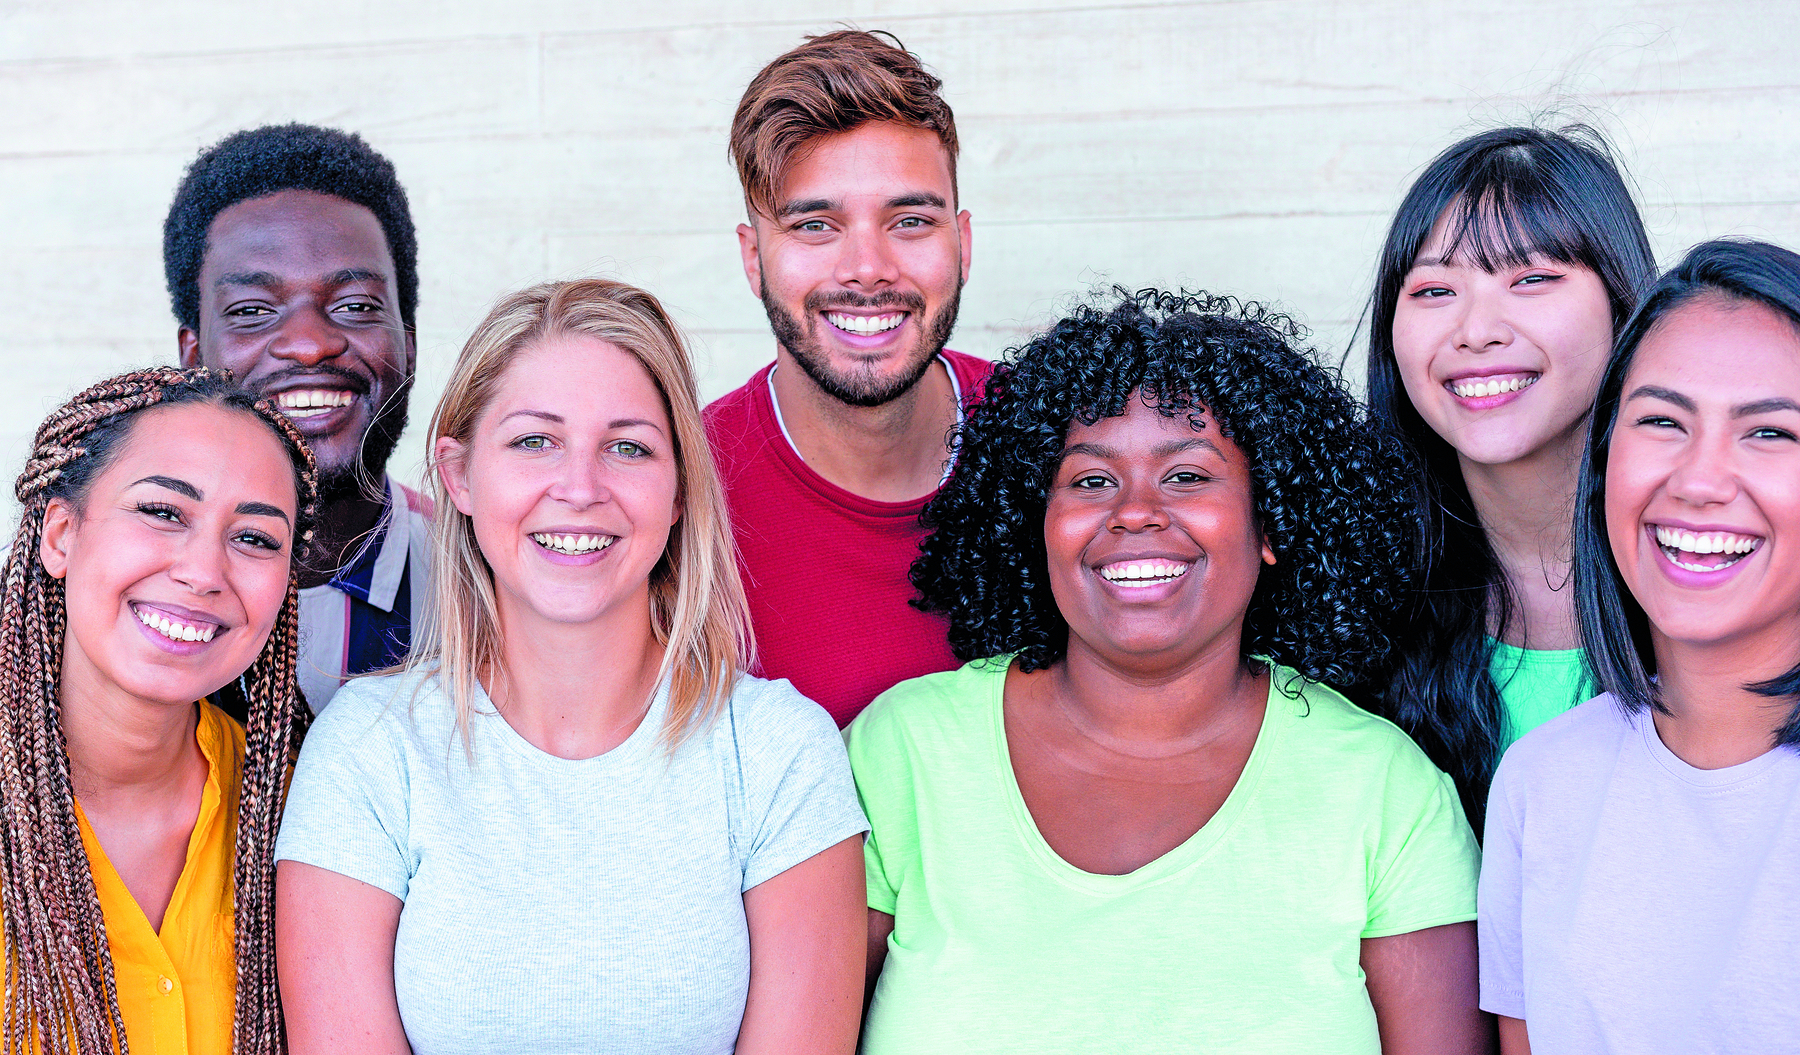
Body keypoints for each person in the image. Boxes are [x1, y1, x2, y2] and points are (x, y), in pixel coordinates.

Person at [851, 291, 1485, 1054]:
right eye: (1090, 481)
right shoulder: (905, 752)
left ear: (1272, 522)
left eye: (1187, 476)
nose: (1135, 511)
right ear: (1036, 522)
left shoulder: (1385, 789)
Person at [275, 279, 869, 1055]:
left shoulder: (779, 753)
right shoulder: (367, 751)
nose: (581, 488)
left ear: (681, 485)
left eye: (628, 446)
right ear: (458, 475)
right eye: (533, 441)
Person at [1481, 239, 1800, 1054]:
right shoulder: (1541, 783)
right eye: (1661, 421)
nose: (1699, 480)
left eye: (1769, 434)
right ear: (1604, 465)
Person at [0, 367, 315, 1054]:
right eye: (163, 511)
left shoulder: (302, 801)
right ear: (60, 534)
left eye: (255, 538)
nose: (204, 570)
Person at [1363, 125, 1658, 826]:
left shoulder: (1716, 581)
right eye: (1435, 290)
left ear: (1624, 305)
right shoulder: (1357, 599)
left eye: (1532, 279)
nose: (1477, 329)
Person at [706, 30, 992, 725]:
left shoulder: (1065, 443)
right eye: (815, 226)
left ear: (963, 243)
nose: (867, 266)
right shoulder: (685, 486)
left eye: (911, 220)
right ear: (753, 258)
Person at [164, 123, 429, 712]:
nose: (308, 345)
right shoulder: (109, 597)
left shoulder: (489, 581)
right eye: (253, 311)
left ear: (407, 344)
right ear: (192, 355)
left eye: (356, 306)